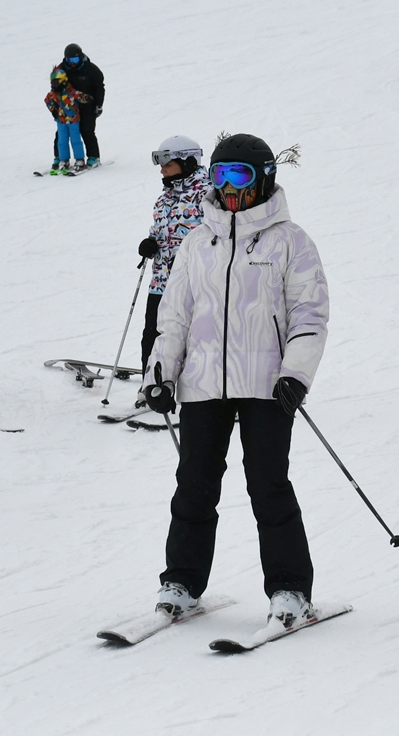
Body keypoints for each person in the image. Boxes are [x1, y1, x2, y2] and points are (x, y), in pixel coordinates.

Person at [142, 133, 329, 629]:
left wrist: (296, 374)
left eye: (239, 176)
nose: (228, 188)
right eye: (220, 176)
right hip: (202, 387)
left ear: (263, 179)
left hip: (268, 386)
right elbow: (174, 317)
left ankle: (290, 590)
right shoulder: (196, 242)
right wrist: (160, 374)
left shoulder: (291, 241)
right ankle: (181, 582)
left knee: (268, 485)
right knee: (194, 486)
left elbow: (309, 315)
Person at [134, 136, 211, 405]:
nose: (162, 168)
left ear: (188, 161)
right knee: (153, 335)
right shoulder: (165, 197)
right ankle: (151, 390)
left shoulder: (208, 194)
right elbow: (159, 231)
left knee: (192, 337)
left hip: (195, 284)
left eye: (166, 161)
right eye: (159, 161)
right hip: (161, 281)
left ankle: (203, 394)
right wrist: (151, 242)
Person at [52, 43, 105, 167]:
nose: (72, 63)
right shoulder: (62, 69)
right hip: (67, 108)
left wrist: (98, 104)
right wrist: (54, 107)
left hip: (87, 106)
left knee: (87, 130)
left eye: (74, 59)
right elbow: (55, 85)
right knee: (61, 133)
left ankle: (93, 157)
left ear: (80, 57)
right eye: (69, 60)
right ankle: (59, 157)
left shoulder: (91, 69)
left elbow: (99, 88)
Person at [46, 68, 93, 174]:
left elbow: (79, 96)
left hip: (73, 120)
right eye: (52, 82)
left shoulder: (70, 91)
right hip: (61, 121)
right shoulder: (53, 93)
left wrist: (87, 98)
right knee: (62, 141)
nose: (54, 85)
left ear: (63, 81)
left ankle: (80, 159)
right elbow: (47, 100)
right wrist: (52, 109)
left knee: (75, 139)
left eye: (56, 82)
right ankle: (64, 160)